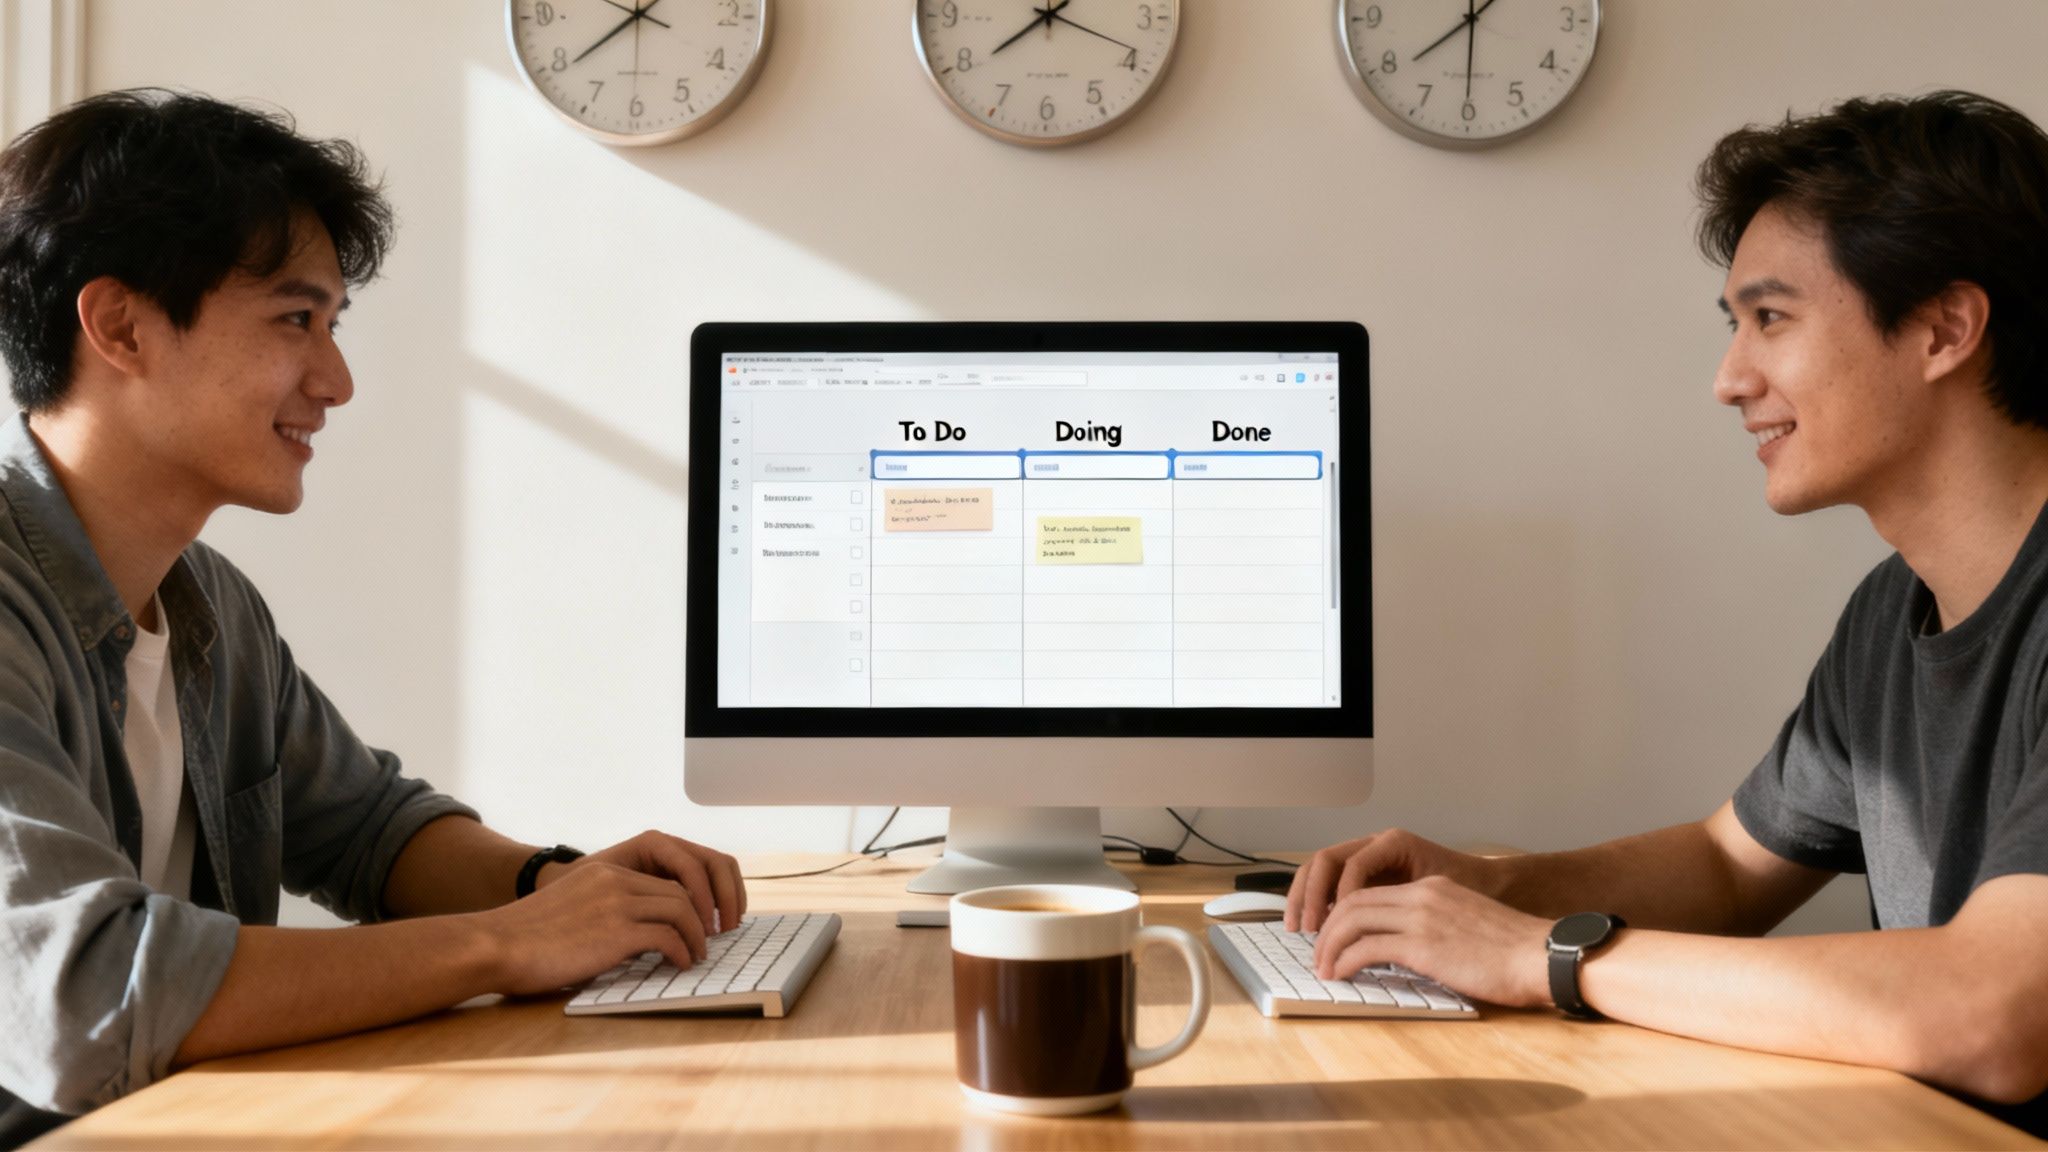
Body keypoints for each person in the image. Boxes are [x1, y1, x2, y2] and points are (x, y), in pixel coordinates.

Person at [1289, 89, 2048, 1134]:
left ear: (1942, 329)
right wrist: (1492, 886)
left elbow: (1995, 1013)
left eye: (1769, 319)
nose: (1728, 379)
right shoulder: (1891, 612)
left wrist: (1543, 957)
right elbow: (1724, 868)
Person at [0, 90, 745, 1145]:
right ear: (121, 325)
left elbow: (366, 830)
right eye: (296, 321)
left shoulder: (208, 605)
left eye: (333, 326)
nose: (336, 380)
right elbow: (81, 999)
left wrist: (561, 886)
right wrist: (507, 942)